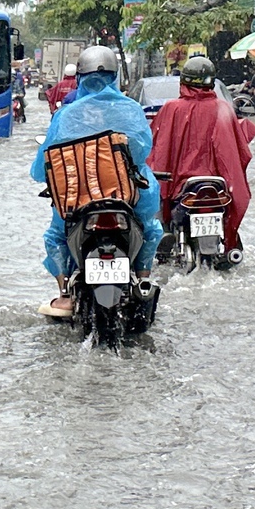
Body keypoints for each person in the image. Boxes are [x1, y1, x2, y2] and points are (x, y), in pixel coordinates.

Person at [34, 44, 160, 316]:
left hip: (76, 199)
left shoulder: (66, 115)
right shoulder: (131, 109)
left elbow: (42, 166)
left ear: (80, 78)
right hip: (128, 196)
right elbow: (142, 152)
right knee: (151, 229)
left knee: (55, 236)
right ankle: (143, 278)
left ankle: (65, 293)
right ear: (116, 77)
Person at [148, 54, 252, 259]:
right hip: (218, 188)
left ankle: (167, 234)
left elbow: (157, 151)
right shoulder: (223, 109)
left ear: (183, 81)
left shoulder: (172, 108)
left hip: (182, 187)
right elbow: (238, 153)